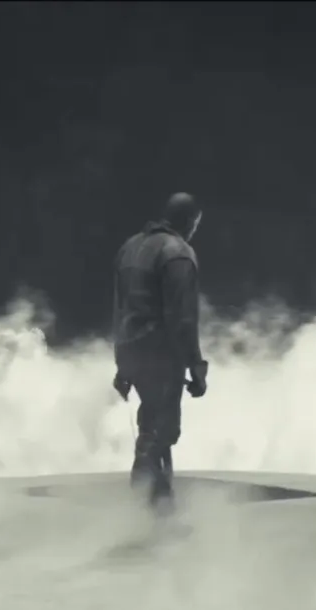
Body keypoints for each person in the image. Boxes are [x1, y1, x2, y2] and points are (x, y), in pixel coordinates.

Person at [111, 192, 208, 516]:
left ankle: (161, 505)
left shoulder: (129, 248)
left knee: (152, 422)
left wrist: (122, 364)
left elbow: (119, 310)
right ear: (191, 222)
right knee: (160, 431)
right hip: (160, 354)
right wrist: (196, 366)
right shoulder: (178, 254)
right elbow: (182, 318)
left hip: (132, 350)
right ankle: (146, 499)